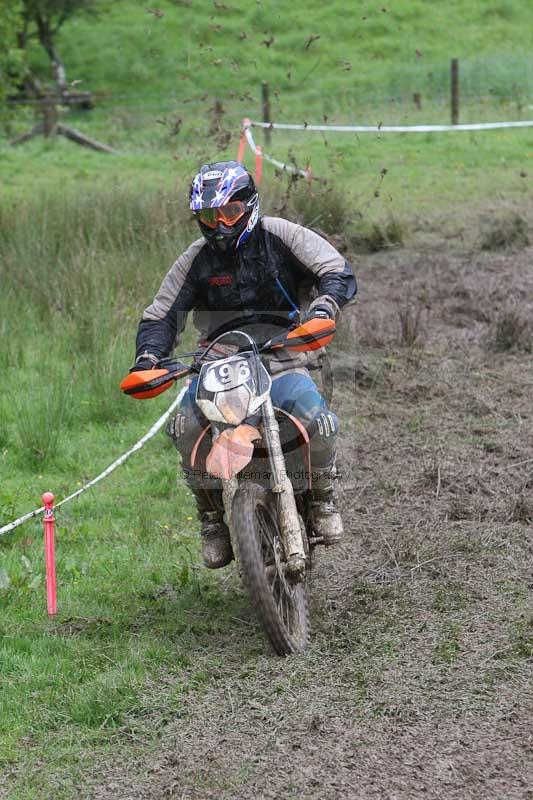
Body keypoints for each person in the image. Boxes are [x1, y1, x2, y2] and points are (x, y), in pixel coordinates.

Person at [131, 160, 357, 568]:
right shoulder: (195, 259)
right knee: (184, 427)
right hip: (218, 364)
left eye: (229, 213)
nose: (219, 225)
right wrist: (149, 358)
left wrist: (323, 308)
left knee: (315, 417)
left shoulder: (280, 236)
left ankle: (322, 495)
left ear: (249, 206)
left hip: (283, 355)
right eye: (207, 216)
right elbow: (161, 315)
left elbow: (335, 269)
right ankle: (212, 518)